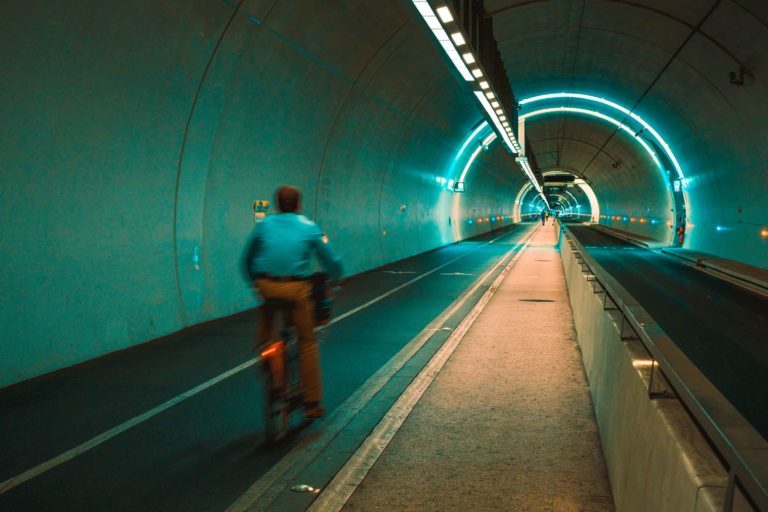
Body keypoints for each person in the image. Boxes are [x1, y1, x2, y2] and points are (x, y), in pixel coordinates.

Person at [241, 185, 342, 419]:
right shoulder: (308, 226)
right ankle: (311, 402)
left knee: (266, 326)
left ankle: (266, 355)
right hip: (296, 289)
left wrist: (253, 282)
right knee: (307, 341)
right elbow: (332, 261)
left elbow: (247, 259)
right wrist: (336, 281)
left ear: (277, 205)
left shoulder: (264, 225)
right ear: (299, 205)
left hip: (267, 285)